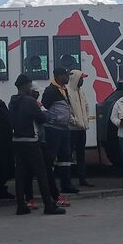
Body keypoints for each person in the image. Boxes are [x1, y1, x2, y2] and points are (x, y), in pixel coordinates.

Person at [9, 75, 66, 215]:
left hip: (17, 140)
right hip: (31, 140)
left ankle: (21, 205)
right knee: (42, 173)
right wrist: (45, 113)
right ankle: (48, 205)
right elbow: (41, 118)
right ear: (24, 86)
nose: (31, 89)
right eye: (29, 86)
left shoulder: (12, 101)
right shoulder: (29, 101)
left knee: (20, 174)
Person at [41, 67, 76, 200]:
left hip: (64, 129)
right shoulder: (50, 91)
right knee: (50, 157)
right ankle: (49, 186)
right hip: (53, 130)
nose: (68, 78)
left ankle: (66, 184)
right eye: (66, 76)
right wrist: (55, 118)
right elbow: (43, 109)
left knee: (66, 157)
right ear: (59, 76)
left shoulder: (64, 89)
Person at [67, 70, 94, 187]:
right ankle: (67, 179)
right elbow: (67, 110)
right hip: (71, 129)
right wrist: (75, 121)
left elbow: (86, 106)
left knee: (81, 154)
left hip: (81, 128)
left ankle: (82, 178)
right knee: (68, 155)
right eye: (81, 78)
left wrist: (85, 120)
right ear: (75, 79)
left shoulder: (81, 91)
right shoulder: (67, 92)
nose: (82, 81)